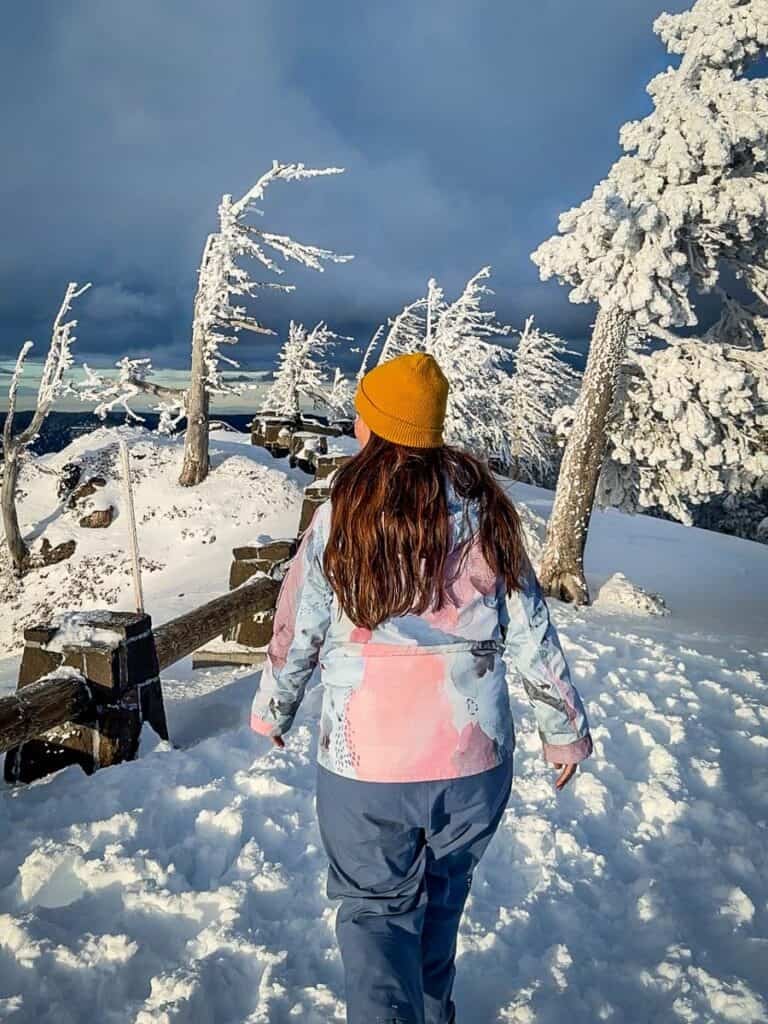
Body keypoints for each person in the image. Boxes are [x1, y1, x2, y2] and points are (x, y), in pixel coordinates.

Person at [250, 352, 593, 1024]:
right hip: (472, 758)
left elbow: (299, 623)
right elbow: (530, 628)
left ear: (380, 427)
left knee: (377, 917)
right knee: (441, 900)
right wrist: (564, 733)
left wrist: (275, 708)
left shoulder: (342, 513)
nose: (353, 421)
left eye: (363, 411)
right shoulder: (485, 511)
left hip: (367, 762)